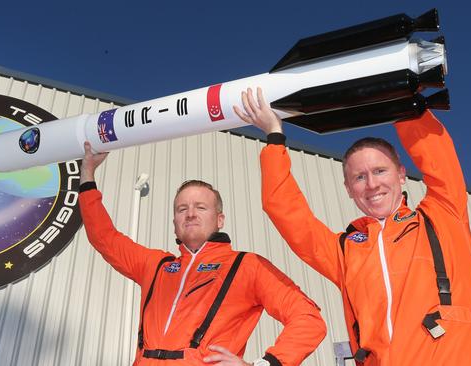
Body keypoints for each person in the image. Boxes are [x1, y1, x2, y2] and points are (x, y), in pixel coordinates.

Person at [234, 87, 471, 365]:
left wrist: (403, 101)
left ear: (401, 175)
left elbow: (438, 158)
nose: (372, 184)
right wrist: (274, 136)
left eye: (379, 171)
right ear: (349, 189)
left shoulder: (443, 215)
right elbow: (285, 211)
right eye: (359, 177)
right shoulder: (344, 251)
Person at [77, 141, 326, 366]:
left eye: (201, 207)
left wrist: (265, 364)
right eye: (182, 208)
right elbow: (103, 237)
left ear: (220, 219)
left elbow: (308, 319)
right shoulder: (156, 265)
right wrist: (87, 174)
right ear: (174, 221)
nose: (191, 213)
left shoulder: (247, 266)